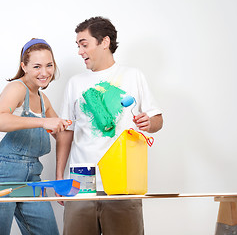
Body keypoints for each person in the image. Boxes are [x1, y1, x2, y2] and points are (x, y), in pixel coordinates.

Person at [56, 17, 163, 235]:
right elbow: (67, 132)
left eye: (84, 44)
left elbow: (157, 120)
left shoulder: (133, 76)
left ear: (104, 42)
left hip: (123, 185)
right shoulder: (75, 83)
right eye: (78, 46)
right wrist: (59, 176)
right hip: (80, 186)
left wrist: (149, 123)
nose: (79, 51)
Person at [0, 38, 68, 235]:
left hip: (32, 176)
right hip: (1, 174)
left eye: (49, 65)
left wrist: (60, 177)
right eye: (36, 66)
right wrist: (43, 122)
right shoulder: (16, 88)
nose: (44, 73)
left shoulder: (44, 100)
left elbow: (63, 135)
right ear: (23, 66)